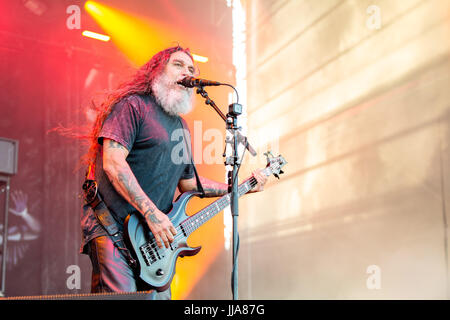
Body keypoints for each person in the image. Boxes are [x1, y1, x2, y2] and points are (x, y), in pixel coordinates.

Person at [80, 45, 267, 299]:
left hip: (153, 243)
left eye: (192, 68)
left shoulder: (181, 126)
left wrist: (239, 188)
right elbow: (113, 163)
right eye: (178, 64)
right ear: (157, 71)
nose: (187, 72)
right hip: (112, 228)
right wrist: (152, 214)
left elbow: (189, 184)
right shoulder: (133, 106)